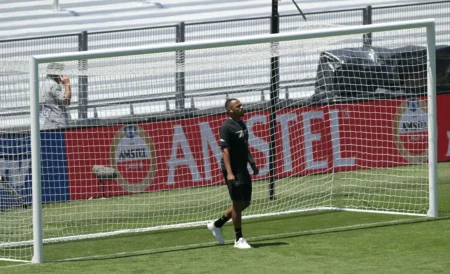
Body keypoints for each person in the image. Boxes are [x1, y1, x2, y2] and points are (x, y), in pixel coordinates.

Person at [207, 98, 259, 249]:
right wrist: (229, 172)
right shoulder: (226, 127)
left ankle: (217, 224)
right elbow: (225, 151)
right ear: (230, 111)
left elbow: (244, 146)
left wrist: (252, 163)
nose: (242, 107)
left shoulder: (242, 124)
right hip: (233, 169)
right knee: (237, 203)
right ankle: (239, 239)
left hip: (243, 168)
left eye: (241, 105)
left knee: (246, 202)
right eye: (238, 106)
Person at [39, 63, 71, 130]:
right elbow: (66, 101)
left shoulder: (44, 84)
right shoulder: (54, 85)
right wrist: (67, 84)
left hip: (47, 123)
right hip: (57, 125)